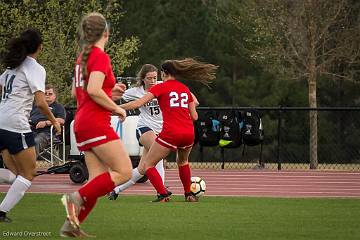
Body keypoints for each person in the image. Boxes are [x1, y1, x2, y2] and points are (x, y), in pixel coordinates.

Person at [59, 12, 132, 237]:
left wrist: (111, 93)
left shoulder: (82, 57)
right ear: (106, 33)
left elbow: (77, 92)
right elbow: (92, 90)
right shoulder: (100, 56)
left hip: (82, 123)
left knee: (97, 180)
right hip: (95, 123)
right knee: (125, 172)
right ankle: (75, 198)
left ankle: (72, 225)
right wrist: (117, 107)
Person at [119, 58, 217, 202]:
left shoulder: (160, 87)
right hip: (189, 133)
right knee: (183, 162)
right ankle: (188, 194)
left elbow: (138, 103)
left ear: (164, 73)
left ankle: (162, 194)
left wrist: (116, 109)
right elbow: (194, 117)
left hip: (171, 133)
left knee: (148, 164)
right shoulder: (185, 89)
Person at [0, 28, 61, 223]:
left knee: (17, 174)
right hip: (15, 124)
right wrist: (54, 122)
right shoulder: (34, 67)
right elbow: (42, 103)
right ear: (40, 47)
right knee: (29, 173)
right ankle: (1, 212)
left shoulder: (11, 67)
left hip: (1, 121)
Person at [108, 64, 166, 200]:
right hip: (144, 128)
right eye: (149, 78)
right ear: (143, 79)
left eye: (154, 78)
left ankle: (115, 190)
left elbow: (181, 92)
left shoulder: (162, 86)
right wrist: (113, 107)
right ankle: (162, 192)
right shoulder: (135, 91)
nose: (152, 81)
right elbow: (113, 98)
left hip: (161, 130)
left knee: (142, 169)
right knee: (158, 156)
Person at [29, 84, 66, 158]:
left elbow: (61, 120)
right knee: (17, 140)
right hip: (31, 130)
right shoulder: (36, 106)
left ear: (55, 96)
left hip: (48, 133)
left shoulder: (58, 107)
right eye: (45, 94)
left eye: (50, 94)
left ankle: (29, 164)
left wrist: (46, 123)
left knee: (36, 141)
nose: (47, 95)